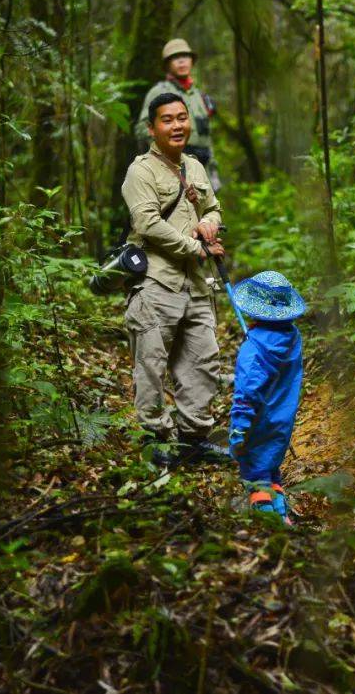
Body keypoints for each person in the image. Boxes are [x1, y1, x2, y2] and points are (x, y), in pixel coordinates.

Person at [122, 91, 225, 468]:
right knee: (150, 363)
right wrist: (195, 248)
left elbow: (213, 207)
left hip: (197, 285)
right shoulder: (141, 171)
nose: (178, 125)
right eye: (168, 119)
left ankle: (193, 440)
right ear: (152, 128)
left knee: (202, 361)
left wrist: (209, 225)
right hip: (156, 283)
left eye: (182, 117)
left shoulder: (195, 167)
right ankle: (155, 441)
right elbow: (147, 223)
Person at [227, 271, 305, 525]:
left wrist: (239, 427)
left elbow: (248, 390)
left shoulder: (254, 347)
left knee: (254, 472)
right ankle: (282, 515)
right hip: (282, 420)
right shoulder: (293, 337)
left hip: (257, 422)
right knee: (271, 468)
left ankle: (268, 523)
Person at [136, 38, 220, 191]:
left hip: (201, 170)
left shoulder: (201, 97)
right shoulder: (159, 91)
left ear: (192, 61)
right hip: (172, 169)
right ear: (167, 65)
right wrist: (164, 157)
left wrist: (213, 169)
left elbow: (207, 137)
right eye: (175, 57)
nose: (181, 61)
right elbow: (143, 128)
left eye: (185, 56)